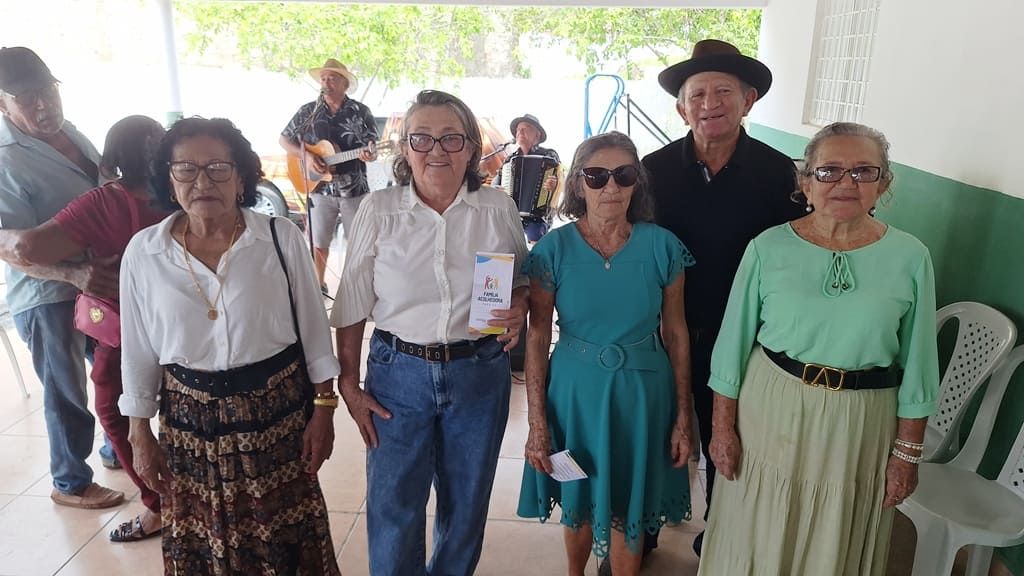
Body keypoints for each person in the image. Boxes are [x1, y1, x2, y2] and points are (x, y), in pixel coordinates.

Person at [698, 122, 939, 575]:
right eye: (829, 171)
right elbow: (730, 350)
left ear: (883, 184)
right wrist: (722, 429)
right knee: (758, 528)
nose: (846, 183)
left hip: (860, 423)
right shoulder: (767, 248)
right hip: (771, 410)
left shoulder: (911, 258)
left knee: (836, 533)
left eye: (863, 171)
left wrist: (906, 455)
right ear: (806, 182)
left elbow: (920, 367)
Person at [119, 117, 341, 574]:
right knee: (204, 535)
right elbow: (137, 348)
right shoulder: (144, 252)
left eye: (218, 168)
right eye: (186, 169)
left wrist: (324, 409)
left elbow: (315, 331)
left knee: (284, 534)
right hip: (188, 422)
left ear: (241, 178)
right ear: (169, 179)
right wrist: (139, 431)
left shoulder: (278, 238)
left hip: (275, 414)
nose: (202, 182)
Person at [332, 89, 529, 575]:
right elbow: (352, 301)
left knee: (466, 504)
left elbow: (521, 280)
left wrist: (519, 304)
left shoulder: (497, 208)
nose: (436, 150)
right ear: (405, 148)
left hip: (478, 372)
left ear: (471, 148)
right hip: (397, 375)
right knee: (393, 504)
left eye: (451, 138)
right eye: (421, 138)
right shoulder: (379, 210)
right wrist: (348, 384)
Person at [638, 38, 805, 562]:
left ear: (748, 100)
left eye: (724, 92)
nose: (710, 104)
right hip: (661, 330)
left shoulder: (779, 174)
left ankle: (720, 532)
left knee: (726, 437)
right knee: (656, 429)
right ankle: (643, 527)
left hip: (742, 336)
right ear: (681, 108)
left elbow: (793, 255)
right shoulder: (653, 170)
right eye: (698, 94)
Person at [517, 131, 695, 576]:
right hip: (575, 396)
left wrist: (682, 416)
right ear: (578, 183)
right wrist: (537, 423)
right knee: (577, 496)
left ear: (638, 183)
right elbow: (537, 337)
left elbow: (676, 333)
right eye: (596, 176)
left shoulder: (663, 246)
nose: (611, 186)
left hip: (643, 395)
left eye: (624, 175)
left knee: (627, 504)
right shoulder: (553, 249)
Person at [0, 115, 168, 541]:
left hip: (127, 334)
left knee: (113, 409)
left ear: (110, 160)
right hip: (189, 331)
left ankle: (158, 505)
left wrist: (75, 267)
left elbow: (28, 247)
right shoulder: (182, 194)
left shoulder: (103, 203)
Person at [0, 46, 124, 509]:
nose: (43, 105)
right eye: (26, 97)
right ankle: (70, 481)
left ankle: (116, 447)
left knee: (115, 370)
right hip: (47, 293)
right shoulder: (6, 158)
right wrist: (72, 273)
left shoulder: (70, 132)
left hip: (99, 282)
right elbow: (7, 243)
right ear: (3, 104)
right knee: (65, 389)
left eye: (48, 91)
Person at [279, 58, 378, 292]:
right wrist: (307, 157)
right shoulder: (308, 111)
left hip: (354, 189)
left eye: (332, 78)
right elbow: (284, 139)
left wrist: (369, 155)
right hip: (319, 188)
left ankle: (355, 288)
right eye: (323, 79)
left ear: (345, 84)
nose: (326, 83)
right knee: (318, 242)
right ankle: (318, 286)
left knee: (360, 242)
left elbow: (373, 148)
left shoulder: (361, 112)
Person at [492, 113, 560, 242]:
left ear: (537, 135)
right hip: (511, 213)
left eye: (525, 128)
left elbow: (560, 180)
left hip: (538, 216)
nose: (520, 132)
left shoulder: (549, 155)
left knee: (535, 234)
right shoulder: (510, 159)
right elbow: (497, 179)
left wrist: (554, 184)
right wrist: (496, 188)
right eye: (518, 130)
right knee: (498, 237)